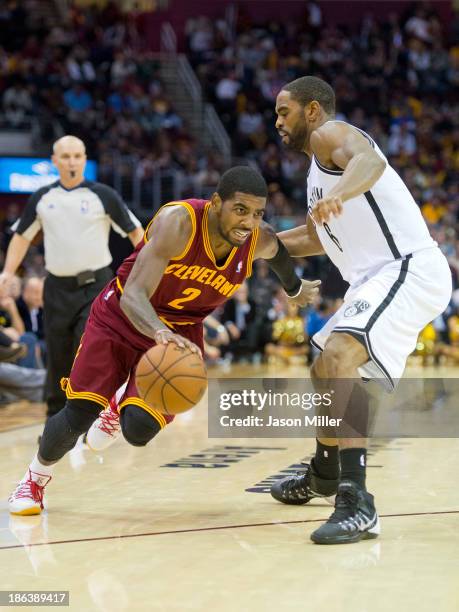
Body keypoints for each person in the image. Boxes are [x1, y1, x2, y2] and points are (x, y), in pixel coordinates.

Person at [8, 166, 321, 515]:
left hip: (182, 330)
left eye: (257, 213)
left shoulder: (256, 239)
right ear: (216, 203)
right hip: (123, 315)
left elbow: (278, 252)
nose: (248, 221)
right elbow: (134, 295)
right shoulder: (180, 223)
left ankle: (117, 408)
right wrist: (159, 331)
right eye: (240, 210)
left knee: (138, 431)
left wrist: (293, 287)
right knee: (79, 413)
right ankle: (33, 480)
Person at [270, 76, 452, 544]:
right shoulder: (316, 173)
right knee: (321, 369)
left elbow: (370, 159)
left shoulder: (332, 135)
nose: (277, 122)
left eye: (283, 111)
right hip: (375, 278)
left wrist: (341, 193)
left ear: (312, 111)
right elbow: (316, 238)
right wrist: (259, 246)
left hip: (408, 266)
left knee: (340, 356)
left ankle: (356, 501)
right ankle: (326, 472)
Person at [0, 136, 144, 420]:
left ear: (84, 158)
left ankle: (94, 412)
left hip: (96, 285)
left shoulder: (103, 195)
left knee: (87, 345)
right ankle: (56, 417)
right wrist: (7, 271)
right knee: (58, 351)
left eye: (77, 156)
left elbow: (136, 233)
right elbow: (21, 237)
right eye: (65, 157)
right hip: (56, 286)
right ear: (54, 161)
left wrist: (144, 272)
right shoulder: (42, 197)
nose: (72, 162)